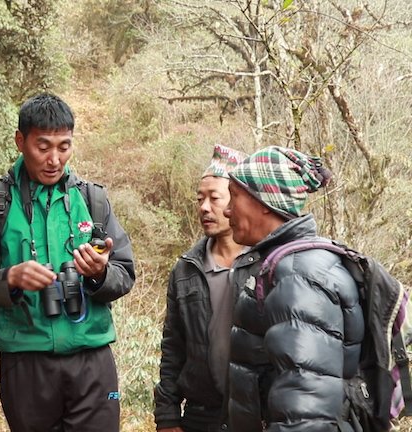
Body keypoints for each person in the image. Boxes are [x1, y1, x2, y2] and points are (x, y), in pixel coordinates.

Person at [0, 93, 136, 432]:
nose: (55, 159)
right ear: (20, 141)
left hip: (93, 361)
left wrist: (99, 274)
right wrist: (10, 278)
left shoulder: (92, 200)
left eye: (64, 146)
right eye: (43, 147)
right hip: (26, 364)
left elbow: (125, 272)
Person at [224, 146, 363, 431]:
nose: (227, 209)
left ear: (263, 201)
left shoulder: (297, 275)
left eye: (234, 196)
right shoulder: (287, 264)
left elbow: (305, 414)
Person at [154, 144, 247, 432]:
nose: (204, 207)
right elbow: (173, 346)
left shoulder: (267, 263)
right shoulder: (186, 269)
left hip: (255, 416)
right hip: (200, 416)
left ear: (238, 201)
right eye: (200, 199)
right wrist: (167, 416)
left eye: (214, 198)